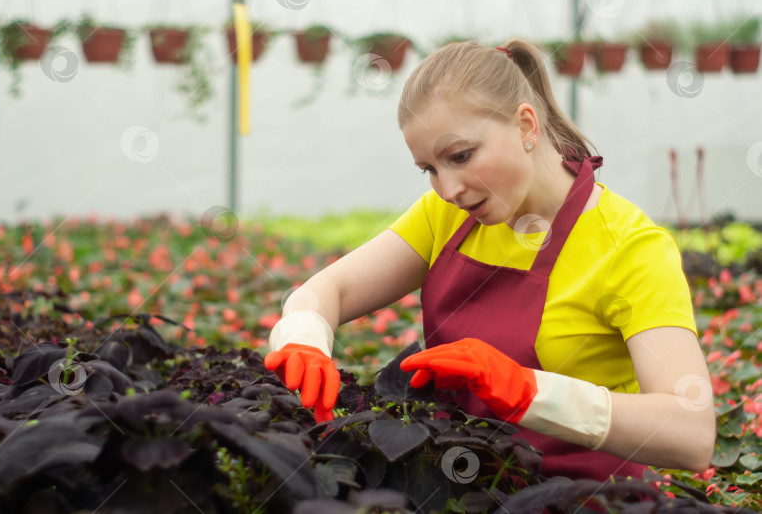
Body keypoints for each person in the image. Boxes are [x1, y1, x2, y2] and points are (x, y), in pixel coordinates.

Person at [263, 39, 715, 481]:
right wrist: (304, 337)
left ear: (525, 126)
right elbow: (330, 291)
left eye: (460, 156)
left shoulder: (630, 247)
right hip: (458, 487)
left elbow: (691, 433)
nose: (449, 189)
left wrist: (528, 390)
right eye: (430, 170)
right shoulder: (445, 217)